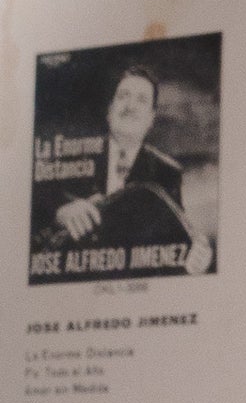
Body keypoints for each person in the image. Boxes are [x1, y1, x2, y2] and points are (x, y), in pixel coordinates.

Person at [47, 63, 212, 274]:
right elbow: (37, 206)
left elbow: (175, 235)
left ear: (151, 119)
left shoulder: (168, 173)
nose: (130, 106)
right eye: (123, 96)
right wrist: (61, 212)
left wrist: (196, 255)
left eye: (141, 100)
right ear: (109, 110)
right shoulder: (70, 155)